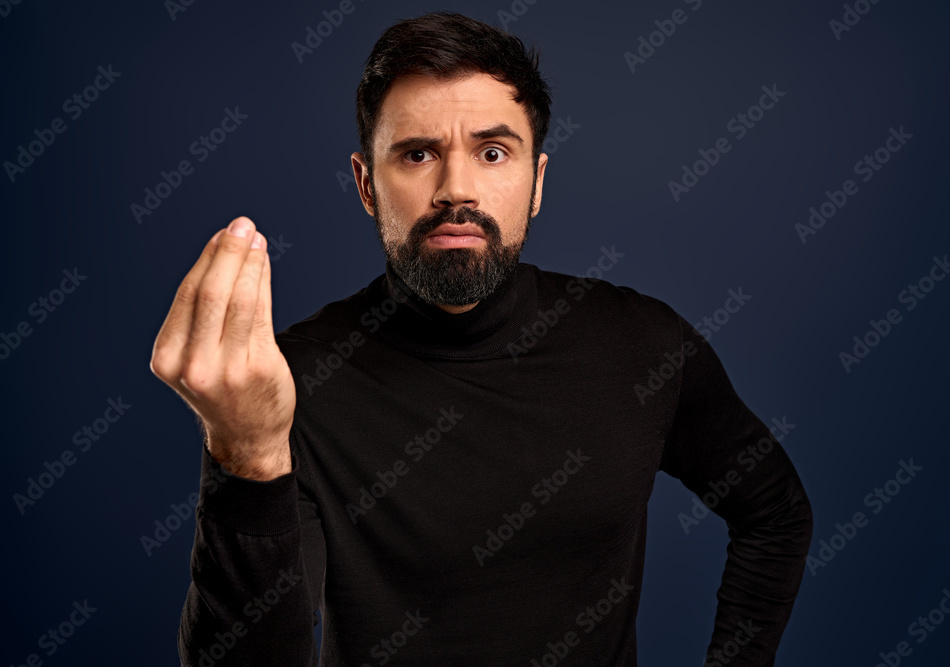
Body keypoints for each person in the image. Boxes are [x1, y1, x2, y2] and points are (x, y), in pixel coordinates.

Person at [150, 11, 813, 666]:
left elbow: (776, 514)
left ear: (537, 183)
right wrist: (249, 454)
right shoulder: (292, 384)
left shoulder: (643, 344)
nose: (456, 189)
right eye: (417, 154)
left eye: (493, 152)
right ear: (366, 185)